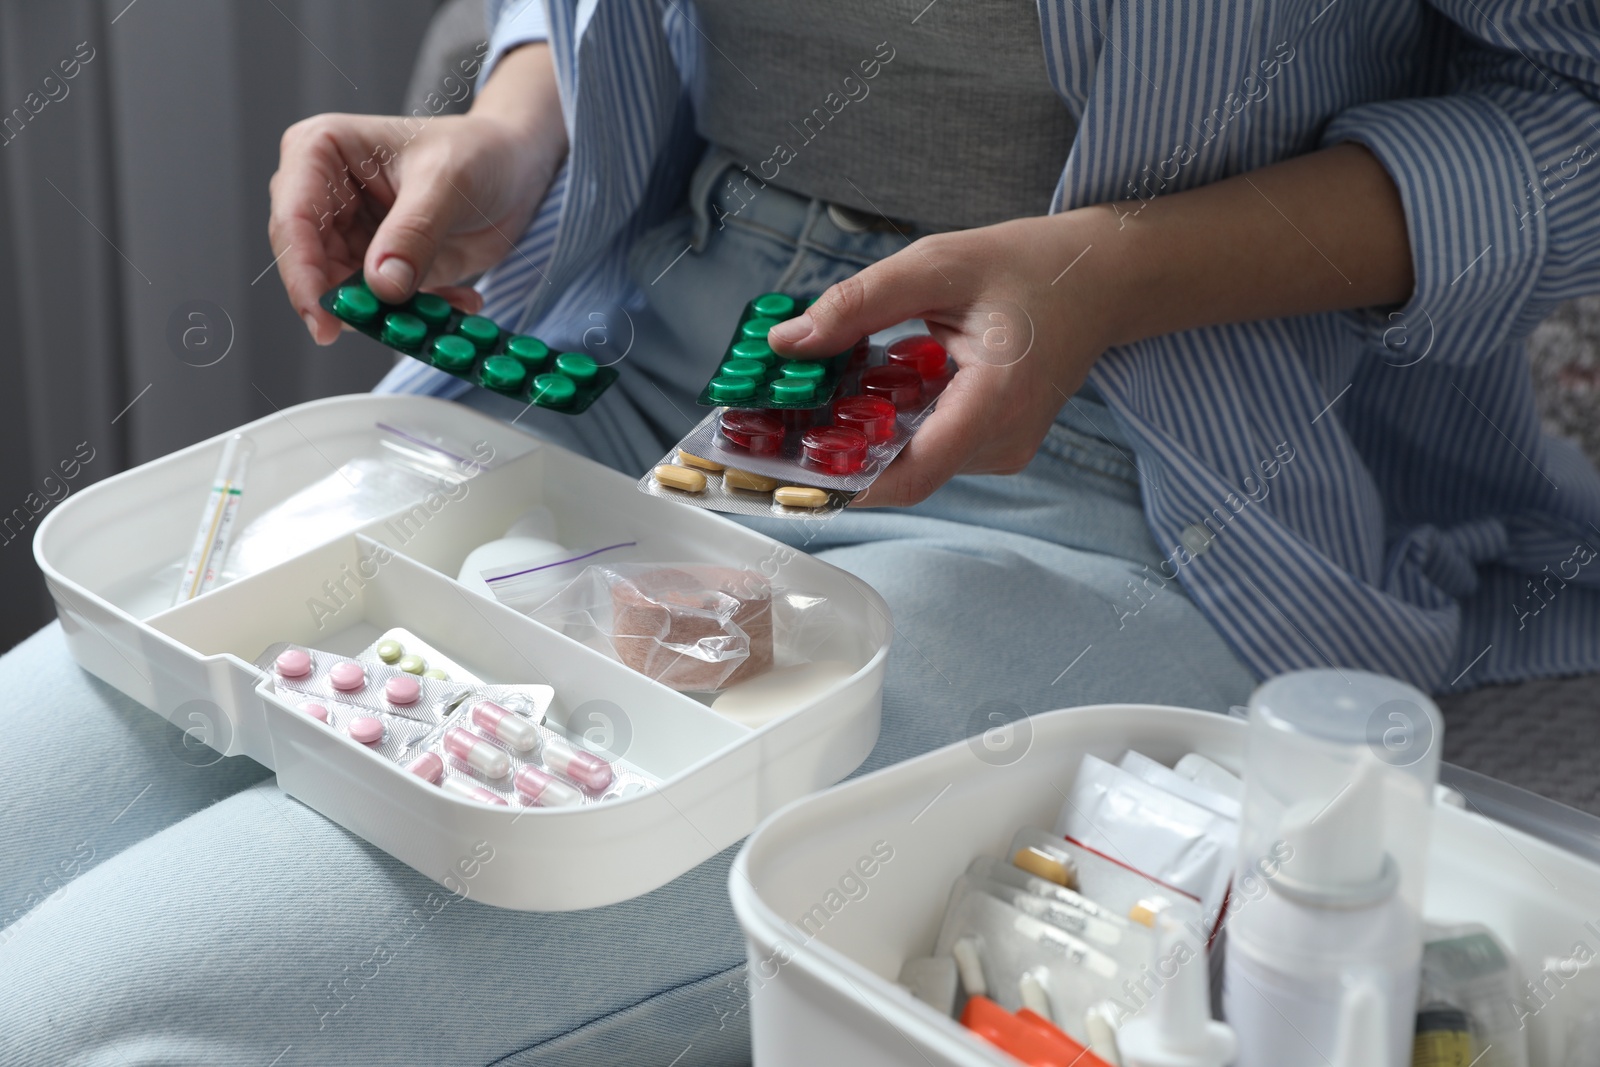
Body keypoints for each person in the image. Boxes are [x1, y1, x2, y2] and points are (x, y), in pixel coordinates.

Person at [3, 1, 1598, 1063]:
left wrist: (1112, 269)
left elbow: (1573, 119)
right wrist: (514, 127)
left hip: (1117, 458)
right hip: (628, 354)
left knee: (103, 1025)